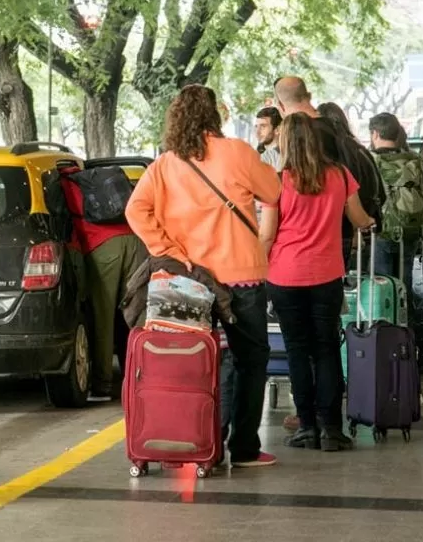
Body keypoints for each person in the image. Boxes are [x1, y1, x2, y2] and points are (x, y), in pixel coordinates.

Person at [126, 84, 281, 468]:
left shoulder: (164, 165)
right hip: (240, 275)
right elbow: (274, 192)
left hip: (187, 280)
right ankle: (243, 447)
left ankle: (192, 442)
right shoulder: (238, 153)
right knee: (250, 360)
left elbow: (135, 210)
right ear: (215, 115)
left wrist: (167, 249)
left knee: (190, 362)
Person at [260, 113, 375, 452]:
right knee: (326, 350)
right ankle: (333, 430)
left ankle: (306, 427)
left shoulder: (277, 181)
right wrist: (370, 220)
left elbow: (267, 234)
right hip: (326, 276)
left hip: (284, 275)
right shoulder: (340, 174)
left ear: (285, 143)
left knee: (297, 351)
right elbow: (359, 219)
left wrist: (253, 267)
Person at [58, 163, 147, 399]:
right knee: (140, 313)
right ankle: (146, 378)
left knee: (103, 317)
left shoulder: (64, 183)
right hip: (135, 240)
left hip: (103, 248)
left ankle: (102, 385)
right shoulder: (98, 179)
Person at [367, 112, 423, 293]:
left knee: (382, 288)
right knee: (405, 285)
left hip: (381, 232)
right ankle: (406, 319)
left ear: (375, 134)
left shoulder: (369, 160)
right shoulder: (417, 160)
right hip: (411, 230)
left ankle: (384, 321)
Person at [316, 101, 386, 268]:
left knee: (343, 288)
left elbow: (347, 195)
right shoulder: (360, 149)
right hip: (365, 231)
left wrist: (355, 227)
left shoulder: (336, 153)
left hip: (346, 232)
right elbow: (381, 194)